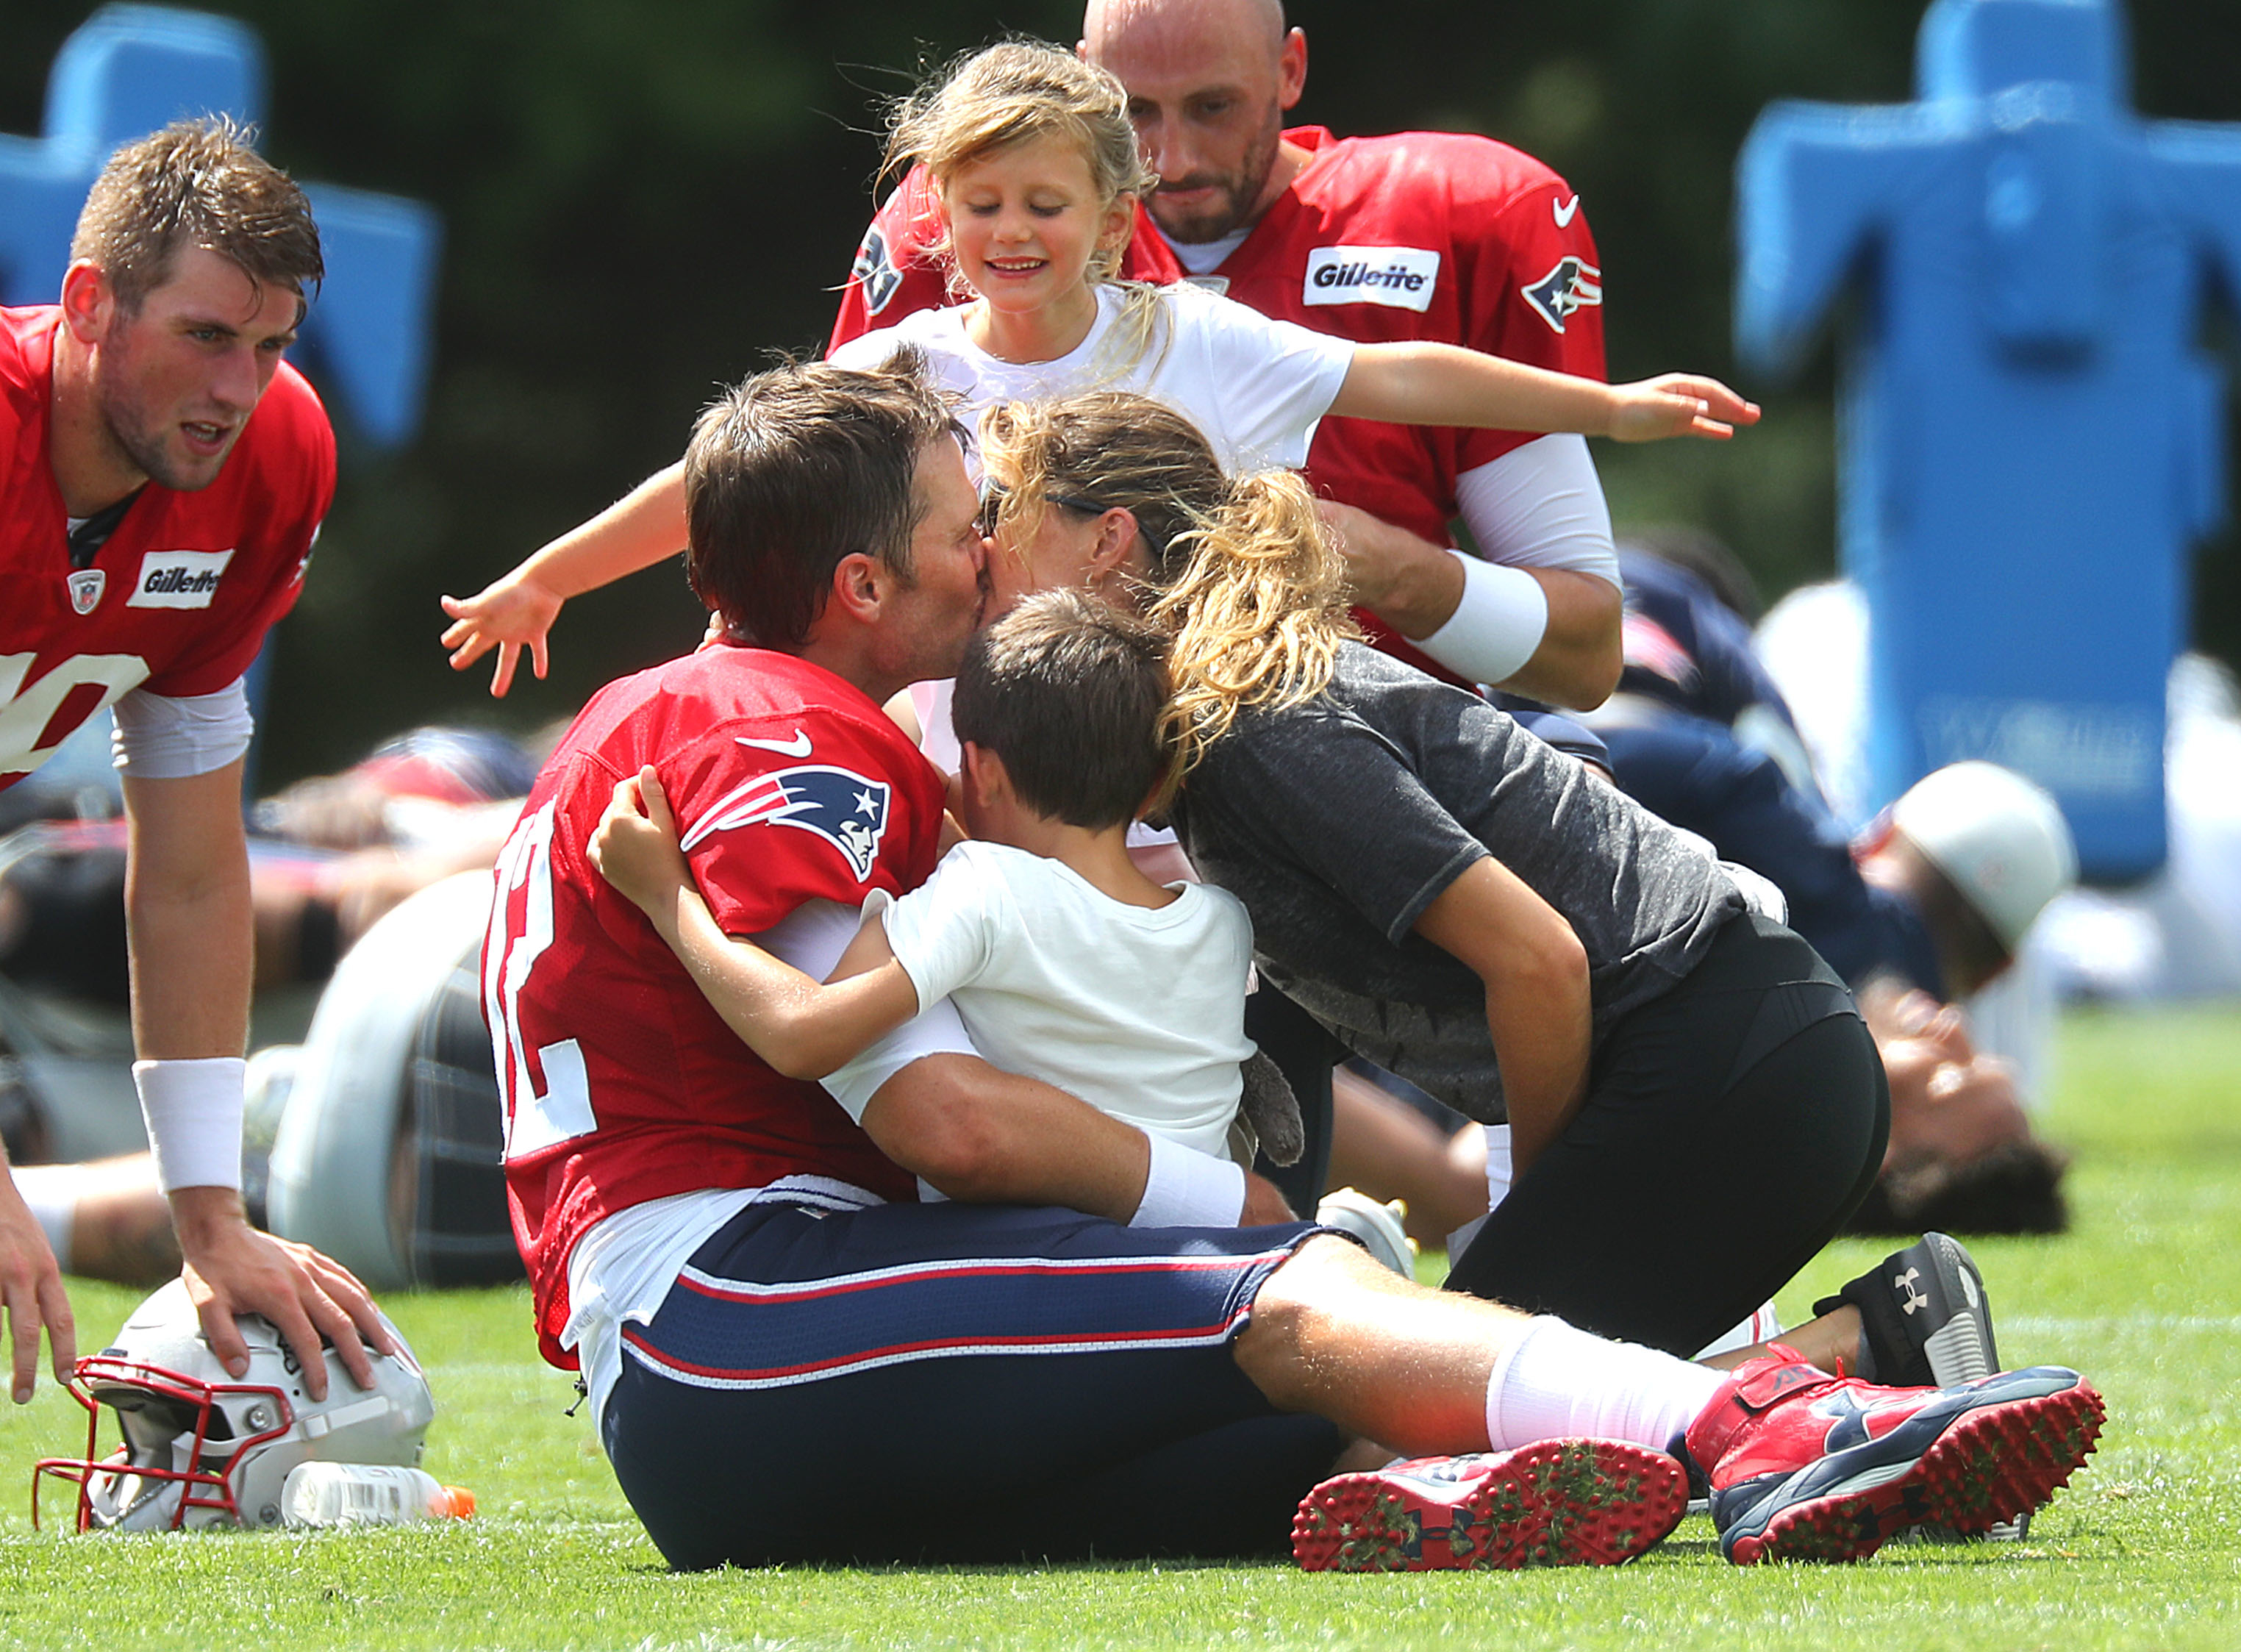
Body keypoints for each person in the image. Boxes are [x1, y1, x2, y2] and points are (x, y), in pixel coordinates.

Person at [487, 356, 2101, 1571]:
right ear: (859, 584)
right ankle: (1756, 1412)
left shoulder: (1178, 724)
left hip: (733, 1322)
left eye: (1000, 529)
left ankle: (1779, 1391)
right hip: (731, 1290)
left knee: (1294, 1460)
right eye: (955, 531)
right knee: (1316, 1312)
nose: (981, 560)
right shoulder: (769, 722)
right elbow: (940, 1114)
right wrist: (1238, 1211)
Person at [435, 37, 1751, 701]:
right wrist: (547, 577)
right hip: (993, 731)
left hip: (1188, 728)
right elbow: (722, 482)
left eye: (1046, 207)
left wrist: (1613, 407)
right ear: (937, 222)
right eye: (984, 206)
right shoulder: (907, 364)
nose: (1014, 235)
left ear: (1116, 222)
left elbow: (1400, 377)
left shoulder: (1190, 340)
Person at [832, 0, 1631, 712]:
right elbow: (810, 560)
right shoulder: (978, 229)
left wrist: (1388, 567)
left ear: (1290, 70)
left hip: (1358, 761)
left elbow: (1585, 658)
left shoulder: (1451, 220)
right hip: (996, 776)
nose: (1169, 160)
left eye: (1214, 107)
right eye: (1135, 109)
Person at [0, 118, 392, 1404]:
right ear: (88, 304)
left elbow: (185, 870)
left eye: (272, 344)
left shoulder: (274, 461)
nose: (241, 387)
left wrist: (209, 1212)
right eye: (208, 337)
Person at [590, 588, 1284, 1171]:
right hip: (1199, 1258)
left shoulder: (984, 891)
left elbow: (799, 1033)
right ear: (1157, 783)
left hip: (1055, 1272)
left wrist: (665, 892)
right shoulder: (1223, 923)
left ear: (980, 769)